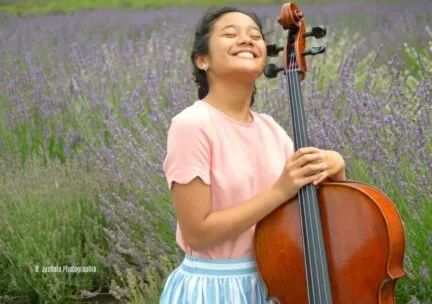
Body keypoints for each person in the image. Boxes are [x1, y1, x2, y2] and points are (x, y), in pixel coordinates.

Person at [159, 6, 347, 304]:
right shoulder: (192, 126)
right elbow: (198, 233)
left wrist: (334, 166)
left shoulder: (271, 129)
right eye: (230, 34)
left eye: (255, 36)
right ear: (202, 59)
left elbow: (314, 209)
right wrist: (280, 190)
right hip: (215, 289)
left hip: (276, 283)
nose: (246, 40)